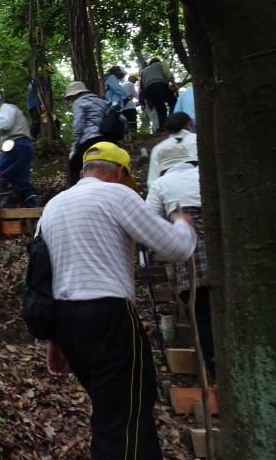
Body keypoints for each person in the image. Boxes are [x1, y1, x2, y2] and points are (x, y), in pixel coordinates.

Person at [40, 142, 197, 460]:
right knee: (124, 421)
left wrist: (53, 339)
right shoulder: (118, 194)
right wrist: (183, 223)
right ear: (121, 171)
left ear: (84, 170)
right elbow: (176, 249)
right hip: (109, 319)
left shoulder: (53, 206)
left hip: (67, 323)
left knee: (116, 413)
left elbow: (43, 277)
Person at [146, 143, 214, 377]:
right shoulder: (205, 173)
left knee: (202, 311)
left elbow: (150, 219)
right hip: (223, 242)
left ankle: (212, 367)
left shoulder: (161, 184)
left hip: (191, 249)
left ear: (164, 167)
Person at [0, 94, 40, 208]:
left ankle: (5, 211)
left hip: (16, 144)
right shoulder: (9, 109)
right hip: (23, 146)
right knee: (21, 183)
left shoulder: (6, 108)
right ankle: (37, 212)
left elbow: (5, 125)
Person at [63, 81, 117, 187]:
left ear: (75, 94)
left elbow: (79, 125)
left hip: (91, 139)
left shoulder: (79, 102)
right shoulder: (102, 102)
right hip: (109, 140)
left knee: (73, 166)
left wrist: (74, 148)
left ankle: (77, 193)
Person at [147, 112, 198, 188]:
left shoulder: (158, 148)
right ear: (189, 124)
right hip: (199, 188)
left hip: (169, 191)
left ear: (168, 130)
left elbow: (152, 181)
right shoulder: (198, 140)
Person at [140, 57, 177, 131]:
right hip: (160, 85)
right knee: (173, 102)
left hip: (149, 90)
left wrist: (149, 100)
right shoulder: (161, 64)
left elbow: (143, 85)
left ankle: (162, 127)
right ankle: (171, 121)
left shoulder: (145, 70)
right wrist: (175, 85)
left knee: (160, 109)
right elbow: (167, 74)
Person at [28, 66, 54, 141]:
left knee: (38, 121)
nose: (47, 74)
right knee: (37, 122)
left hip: (31, 105)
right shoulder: (40, 78)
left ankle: (33, 139)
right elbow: (39, 91)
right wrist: (43, 104)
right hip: (37, 104)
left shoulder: (33, 80)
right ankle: (32, 139)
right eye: (47, 72)